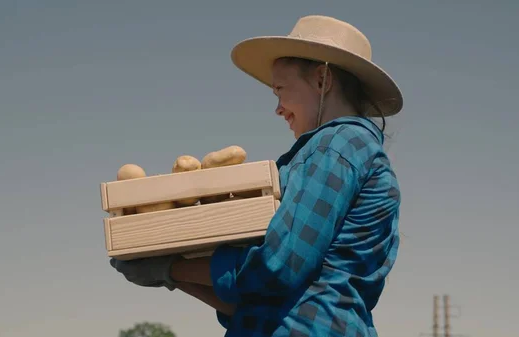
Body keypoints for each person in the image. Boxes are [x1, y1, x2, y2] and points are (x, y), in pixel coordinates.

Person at [110, 15, 403, 337]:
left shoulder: (338, 144)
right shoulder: (332, 153)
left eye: (280, 89)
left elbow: (278, 265)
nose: (278, 108)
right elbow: (251, 300)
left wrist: (169, 267)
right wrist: (170, 275)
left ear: (322, 80)